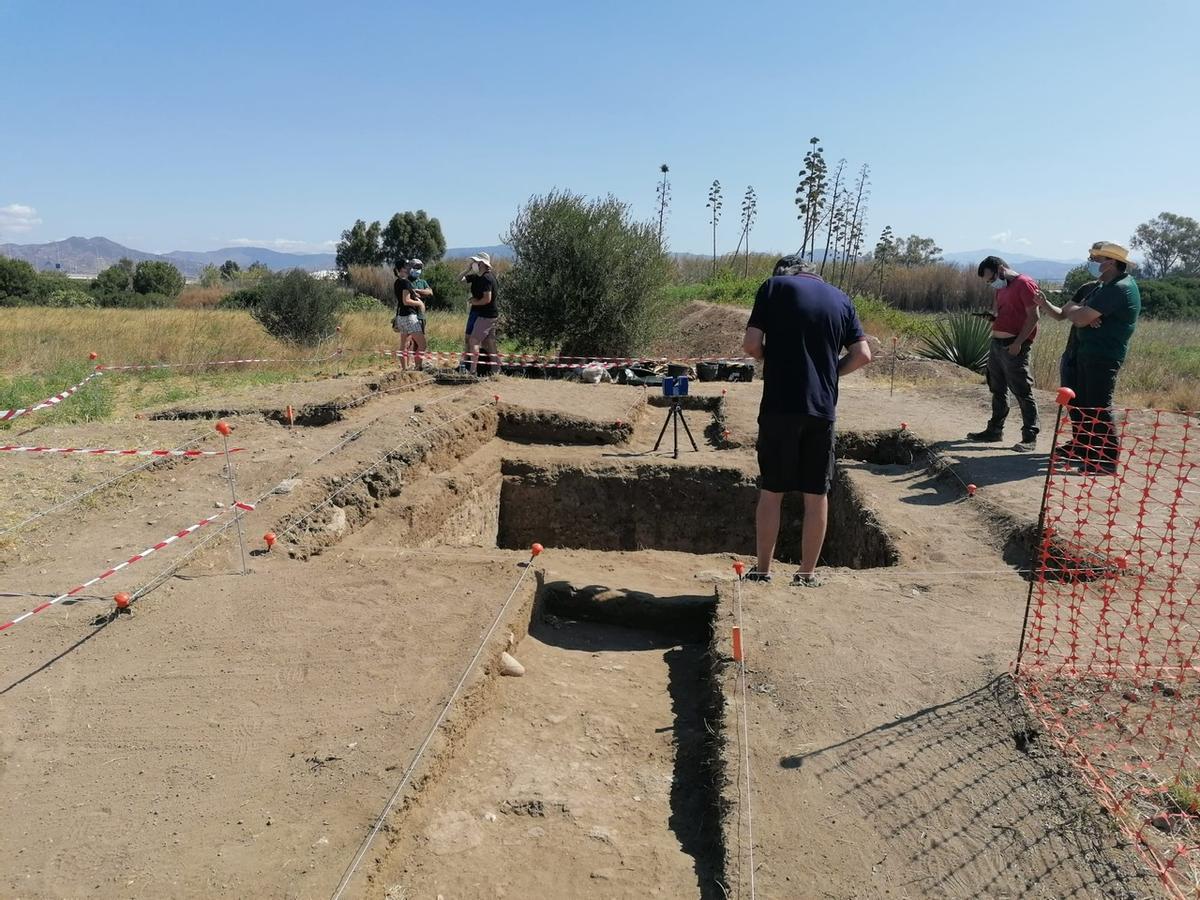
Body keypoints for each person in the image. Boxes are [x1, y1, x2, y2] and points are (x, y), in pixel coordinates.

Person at [741, 254, 873, 587]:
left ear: (783, 273)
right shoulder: (841, 299)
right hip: (822, 409)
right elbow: (863, 355)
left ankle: (763, 570)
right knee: (817, 495)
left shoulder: (773, 287)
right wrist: (831, 374)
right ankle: (806, 574)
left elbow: (751, 345)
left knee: (772, 492)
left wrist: (768, 358)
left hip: (779, 406)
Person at [1035, 241, 1140, 474]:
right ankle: (1087, 450)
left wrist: (1081, 314)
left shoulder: (1120, 288)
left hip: (1103, 355)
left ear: (1111, 262)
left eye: (1096, 259)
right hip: (1086, 353)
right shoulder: (1102, 287)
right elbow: (1075, 315)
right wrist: (1081, 313)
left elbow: (1079, 317)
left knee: (1099, 406)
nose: (1092, 263)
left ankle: (1107, 460)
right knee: (1084, 405)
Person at [968, 256, 1041, 452]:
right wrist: (992, 319)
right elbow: (1005, 314)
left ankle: (1029, 437)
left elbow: (1034, 316)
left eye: (991, 279)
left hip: (1014, 345)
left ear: (1000, 269)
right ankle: (994, 431)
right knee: (997, 388)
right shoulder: (1001, 288)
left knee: (1022, 390)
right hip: (997, 344)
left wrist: (1018, 343)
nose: (991, 284)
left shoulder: (1025, 284)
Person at [459, 252, 499, 375]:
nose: (474, 264)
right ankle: (496, 370)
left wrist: (474, 302)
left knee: (474, 341)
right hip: (487, 314)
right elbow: (459, 279)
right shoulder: (478, 277)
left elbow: (487, 299)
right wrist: (467, 269)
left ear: (481, 263)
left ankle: (472, 371)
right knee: (489, 343)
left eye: (475, 262)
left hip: (485, 315)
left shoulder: (487, 278)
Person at [391, 260, 425, 369]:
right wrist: (419, 303)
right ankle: (417, 367)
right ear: (402, 268)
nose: (410, 268)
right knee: (422, 345)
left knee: (403, 346)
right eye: (407, 266)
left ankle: (405, 369)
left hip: (401, 317)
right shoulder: (405, 282)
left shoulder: (397, 282)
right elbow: (406, 301)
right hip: (410, 316)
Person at [407, 258, 433, 368]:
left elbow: (430, 292)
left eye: (419, 268)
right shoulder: (406, 281)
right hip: (409, 315)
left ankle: (418, 366)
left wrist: (417, 291)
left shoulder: (422, 282)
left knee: (418, 343)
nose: (417, 270)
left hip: (421, 316)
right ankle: (406, 366)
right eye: (415, 267)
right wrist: (420, 293)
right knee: (408, 341)